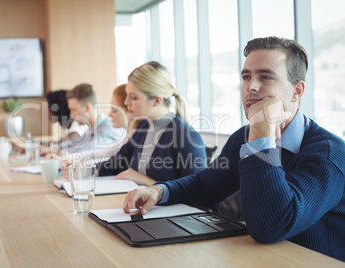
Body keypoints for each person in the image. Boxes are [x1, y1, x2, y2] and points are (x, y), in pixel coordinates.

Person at [122, 37, 345, 261]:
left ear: (297, 91)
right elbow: (205, 185)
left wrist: (260, 131)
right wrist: (159, 192)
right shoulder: (244, 137)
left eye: (265, 77)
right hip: (263, 259)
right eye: (246, 76)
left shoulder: (328, 154)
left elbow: (271, 226)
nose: (251, 87)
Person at [97, 61, 207, 186]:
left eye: (133, 97)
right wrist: (87, 170)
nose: (126, 102)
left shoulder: (186, 135)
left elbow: (196, 191)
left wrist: (143, 180)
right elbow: (117, 163)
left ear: (156, 100)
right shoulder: (144, 126)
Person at [55, 83, 125, 158]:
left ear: (87, 107)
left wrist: (59, 151)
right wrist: (55, 148)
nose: (71, 115)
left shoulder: (110, 127)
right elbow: (75, 143)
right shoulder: (91, 128)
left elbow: (87, 151)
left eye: (74, 110)